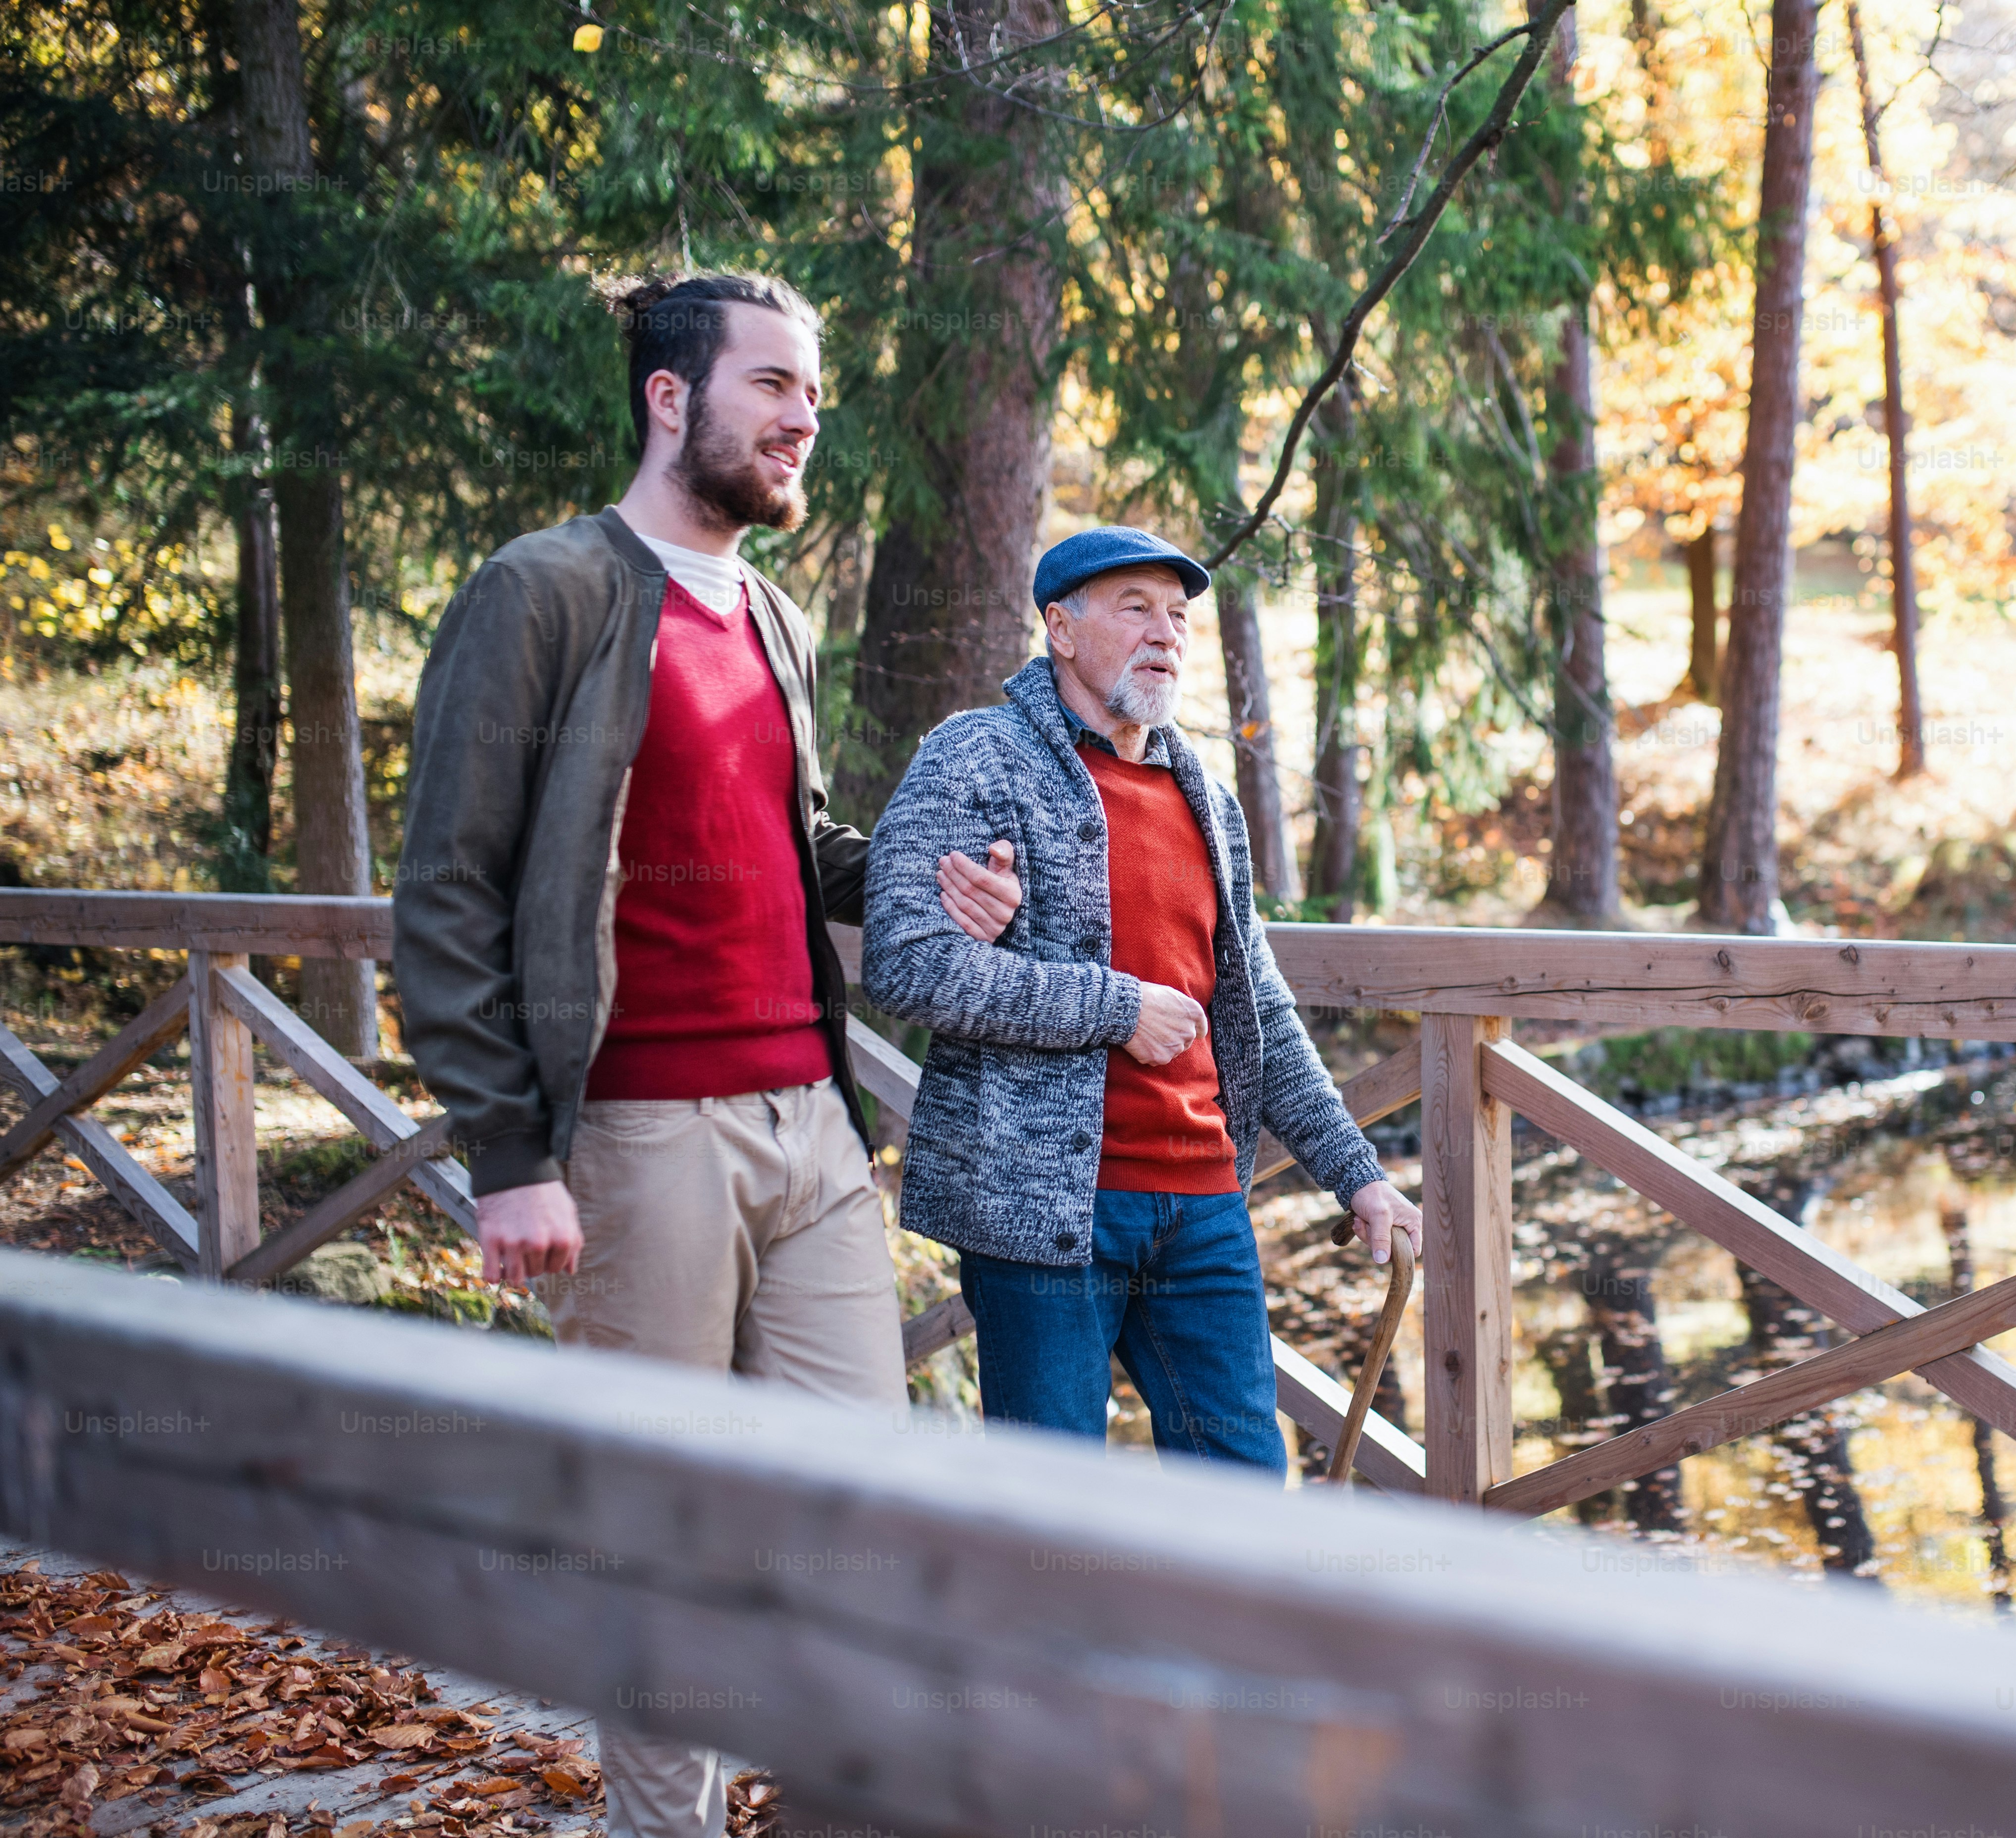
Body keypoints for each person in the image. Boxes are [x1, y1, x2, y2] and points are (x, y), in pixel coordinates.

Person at [391, 270, 1016, 1838]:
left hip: (813, 1123)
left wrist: (917, 882)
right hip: (637, 1137)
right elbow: (451, 888)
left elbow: (791, 844)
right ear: (672, 398)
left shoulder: (772, 612)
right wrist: (512, 1155)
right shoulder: (545, 590)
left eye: (815, 394)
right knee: (666, 1533)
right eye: (775, 387)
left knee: (860, 1516)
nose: (807, 417)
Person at [861, 525, 1422, 1473]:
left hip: (1205, 1206)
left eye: (1179, 615)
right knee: (1054, 1510)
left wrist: (1355, 1171)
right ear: (1061, 629)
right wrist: (1114, 1008)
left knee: (1242, 1492)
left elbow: (1260, 1013)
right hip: (1040, 1214)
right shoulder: (976, 758)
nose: (1166, 633)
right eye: (1136, 609)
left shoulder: (1206, 793)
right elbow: (908, 965)